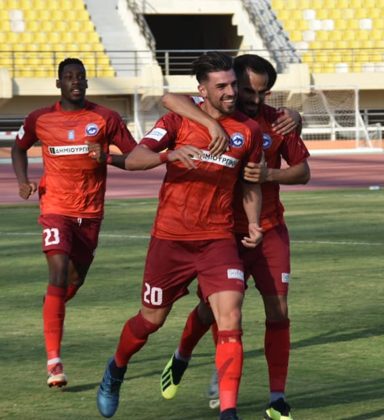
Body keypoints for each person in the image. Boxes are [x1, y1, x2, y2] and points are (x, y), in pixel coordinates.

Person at [95, 52, 263, 420]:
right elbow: (134, 159)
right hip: (170, 239)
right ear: (203, 90)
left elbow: (250, 184)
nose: (231, 92)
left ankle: (229, 412)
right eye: (222, 86)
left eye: (233, 84)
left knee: (231, 317)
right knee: (150, 321)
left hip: (217, 239)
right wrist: (168, 156)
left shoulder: (248, 131)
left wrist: (253, 222)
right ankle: (116, 368)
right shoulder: (177, 121)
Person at [157, 54, 310, 420]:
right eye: (247, 90)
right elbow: (171, 98)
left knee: (279, 310)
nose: (255, 99)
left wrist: (270, 175)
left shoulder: (279, 122)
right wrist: (209, 125)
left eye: (262, 92)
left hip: (269, 229)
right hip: (223, 232)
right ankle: (183, 355)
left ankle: (277, 399)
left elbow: (303, 171)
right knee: (213, 311)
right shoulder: (214, 114)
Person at [11, 58, 137, 388]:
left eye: (80, 76)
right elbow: (18, 148)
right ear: (59, 84)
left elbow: (137, 157)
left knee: (73, 281)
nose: (75, 81)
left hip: (90, 214)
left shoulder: (106, 118)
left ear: (86, 82)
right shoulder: (40, 118)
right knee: (56, 273)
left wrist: (108, 158)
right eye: (68, 77)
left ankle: (51, 308)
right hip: (55, 207)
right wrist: (23, 181)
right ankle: (54, 363)